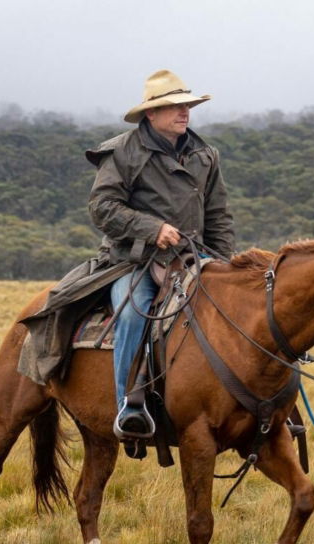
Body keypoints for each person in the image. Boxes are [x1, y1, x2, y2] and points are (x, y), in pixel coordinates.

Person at [88, 69, 234, 439]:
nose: (184, 112)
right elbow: (102, 207)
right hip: (133, 262)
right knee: (133, 312)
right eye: (174, 107)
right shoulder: (122, 151)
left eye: (187, 105)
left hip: (196, 260)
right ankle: (129, 408)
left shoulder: (206, 155)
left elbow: (217, 216)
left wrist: (224, 265)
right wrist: (152, 229)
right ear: (151, 114)